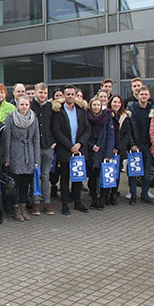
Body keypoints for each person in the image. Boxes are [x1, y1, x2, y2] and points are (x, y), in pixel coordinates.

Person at [51, 85, 91, 215]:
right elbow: (56, 131)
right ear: (63, 95)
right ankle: (64, 204)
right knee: (65, 177)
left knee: (78, 178)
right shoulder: (58, 110)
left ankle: (78, 202)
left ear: (75, 95)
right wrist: (70, 146)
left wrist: (79, 144)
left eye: (72, 94)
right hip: (65, 149)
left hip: (79, 149)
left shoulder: (81, 110)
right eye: (67, 94)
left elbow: (87, 129)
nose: (70, 96)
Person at [3, 97, 40, 221]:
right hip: (15, 151)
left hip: (28, 152)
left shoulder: (33, 119)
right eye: (21, 104)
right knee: (15, 183)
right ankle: (16, 209)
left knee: (26, 183)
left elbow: (36, 140)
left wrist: (36, 158)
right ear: (17, 105)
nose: (24, 107)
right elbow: (7, 139)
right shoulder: (10, 119)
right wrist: (7, 158)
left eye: (26, 104)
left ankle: (23, 207)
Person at [126, 85, 154, 204]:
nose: (144, 96)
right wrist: (132, 144)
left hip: (148, 145)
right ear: (137, 95)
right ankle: (133, 195)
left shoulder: (153, 110)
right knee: (133, 172)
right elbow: (128, 130)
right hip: (135, 145)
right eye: (141, 94)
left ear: (149, 96)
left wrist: (152, 144)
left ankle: (144, 194)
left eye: (146, 94)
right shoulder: (131, 109)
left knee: (147, 172)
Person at [30, 82, 55, 215]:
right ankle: (35, 202)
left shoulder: (51, 107)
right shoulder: (30, 106)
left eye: (45, 93)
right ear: (35, 92)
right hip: (34, 146)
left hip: (48, 145)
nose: (43, 95)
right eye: (40, 92)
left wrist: (54, 142)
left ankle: (47, 202)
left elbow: (55, 126)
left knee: (45, 175)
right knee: (35, 175)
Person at [86, 97, 115, 209]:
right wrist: (91, 145)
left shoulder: (107, 117)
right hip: (91, 151)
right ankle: (94, 199)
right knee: (92, 178)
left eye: (98, 105)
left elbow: (110, 136)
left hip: (103, 151)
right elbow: (84, 133)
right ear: (91, 106)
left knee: (104, 176)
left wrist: (108, 154)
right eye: (94, 105)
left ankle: (102, 200)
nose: (96, 107)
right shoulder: (87, 117)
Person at [109, 94, 136, 205]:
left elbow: (127, 135)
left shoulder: (125, 117)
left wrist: (118, 147)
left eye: (119, 103)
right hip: (108, 149)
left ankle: (114, 195)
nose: (116, 104)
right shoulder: (107, 115)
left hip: (119, 150)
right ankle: (106, 195)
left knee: (116, 174)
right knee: (107, 172)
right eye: (114, 102)